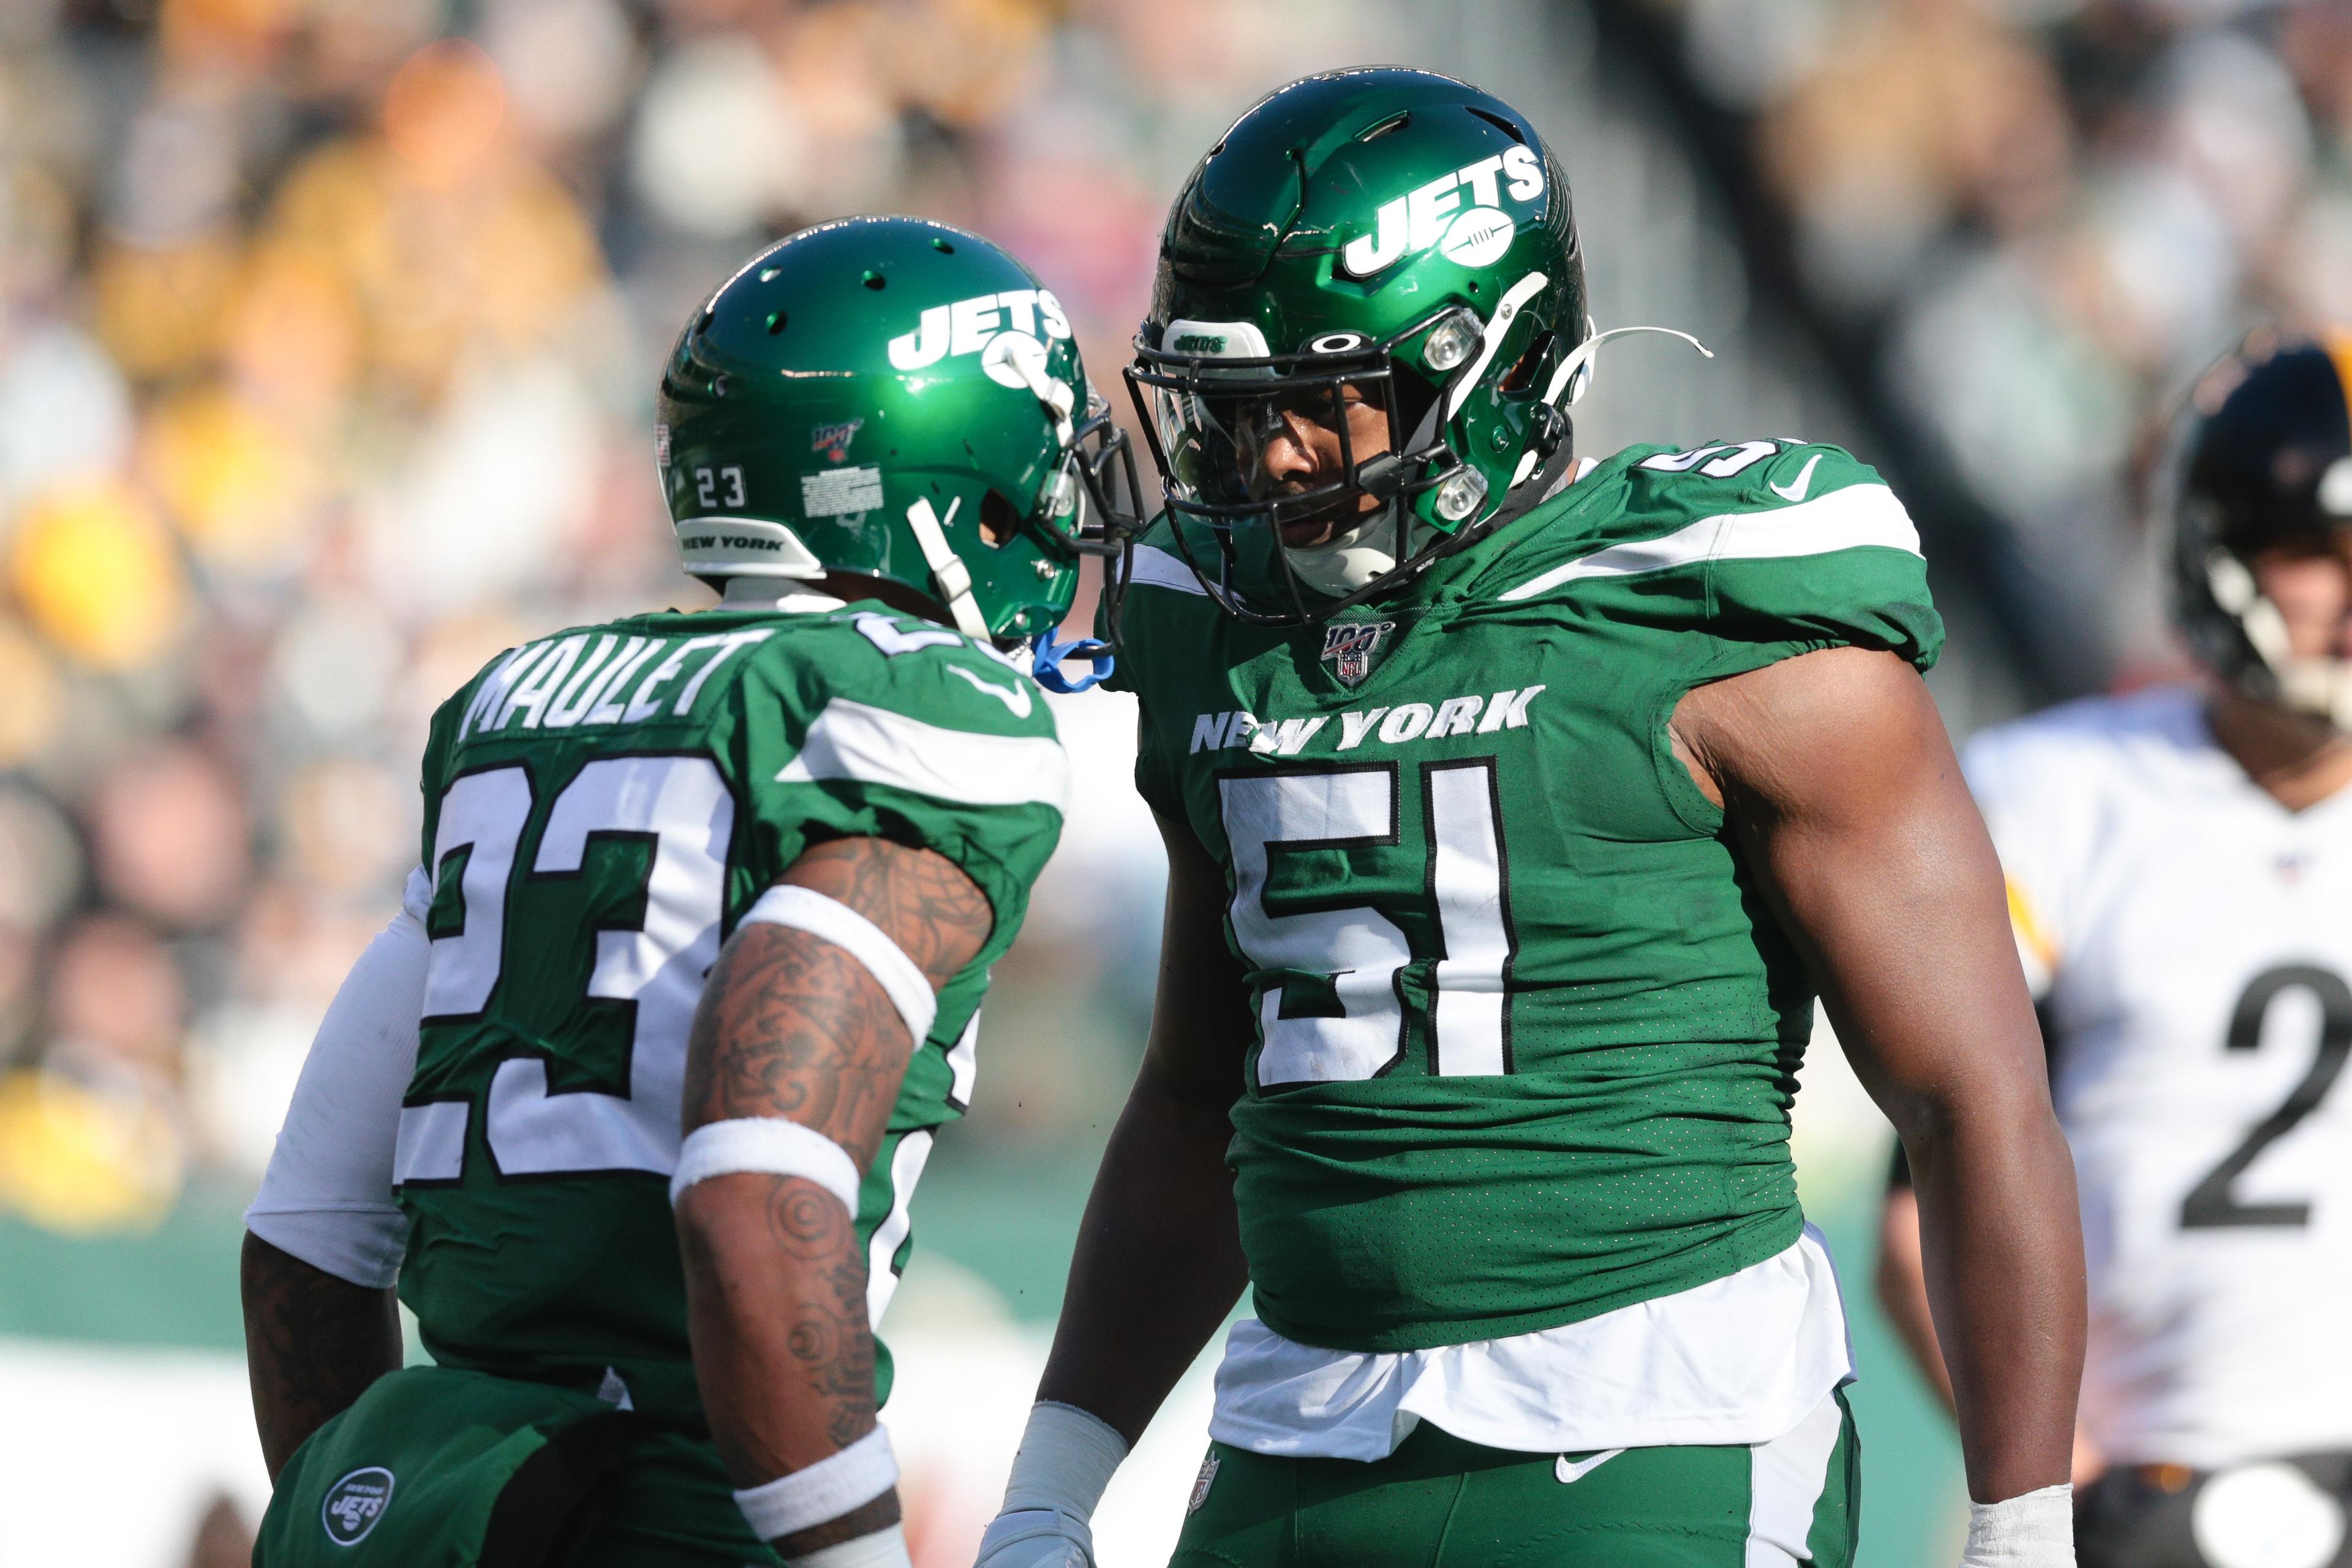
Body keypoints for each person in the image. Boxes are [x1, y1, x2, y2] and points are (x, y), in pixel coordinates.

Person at [973, 67, 2085, 1568]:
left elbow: (1974, 1097)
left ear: (1489, 369)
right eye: (1235, 412)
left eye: (1317, 400)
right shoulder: (1212, 621)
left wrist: (2024, 1526)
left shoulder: (1720, 614)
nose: (1270, 458)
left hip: (1657, 1420)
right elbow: (1197, 1095)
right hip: (1303, 1420)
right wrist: (1052, 1483)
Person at [236, 215, 1133, 1568]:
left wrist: (356, 1509)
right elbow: (751, 1180)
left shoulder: (517, 698)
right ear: (951, 476)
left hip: (432, 1490)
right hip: (695, 1493)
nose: (1058, 510)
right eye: (1036, 466)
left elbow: (307, 1227)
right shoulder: (920, 710)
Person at [1875, 331, 2352, 1568]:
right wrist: (2062, 1487)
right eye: (2319, 548)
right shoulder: (2058, 794)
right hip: (2143, 1477)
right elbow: (1915, 1209)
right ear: (2218, 545)